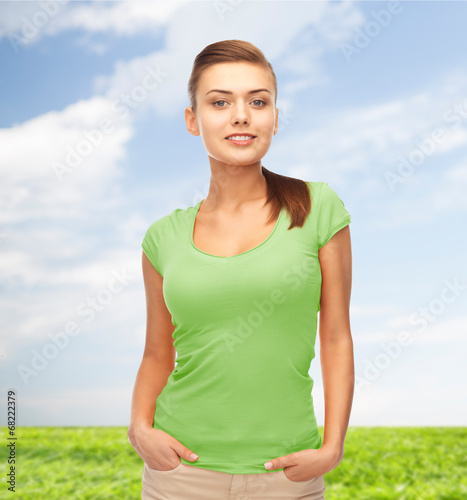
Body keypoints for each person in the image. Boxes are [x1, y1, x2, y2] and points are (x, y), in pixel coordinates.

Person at [128, 39, 354, 500]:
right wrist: (139, 428)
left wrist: (332, 446)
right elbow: (157, 351)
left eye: (258, 101)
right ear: (193, 120)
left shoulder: (317, 208)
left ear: (274, 116)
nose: (241, 115)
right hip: (179, 473)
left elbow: (335, 336)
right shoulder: (161, 238)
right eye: (219, 102)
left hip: (287, 473)